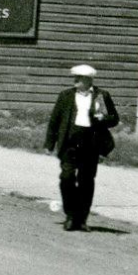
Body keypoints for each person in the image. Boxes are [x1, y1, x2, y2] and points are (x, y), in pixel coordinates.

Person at [44, 64, 119, 232]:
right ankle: (70, 215)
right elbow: (54, 121)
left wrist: (103, 118)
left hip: (90, 145)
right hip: (69, 144)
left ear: (88, 80)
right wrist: (49, 144)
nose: (75, 81)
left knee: (86, 181)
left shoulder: (101, 96)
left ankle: (82, 219)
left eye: (79, 78)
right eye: (74, 77)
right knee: (67, 177)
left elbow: (114, 119)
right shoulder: (65, 96)